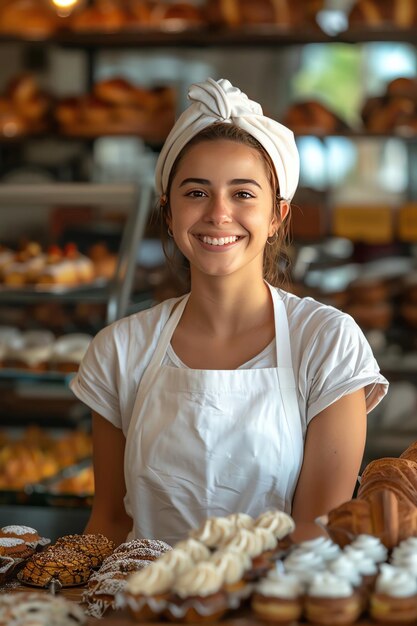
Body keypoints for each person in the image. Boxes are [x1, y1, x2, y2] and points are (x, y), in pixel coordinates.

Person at [70, 78, 388, 547]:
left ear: (277, 214)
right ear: (169, 210)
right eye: (196, 193)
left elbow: (314, 532)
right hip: (140, 609)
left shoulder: (326, 343)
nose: (219, 214)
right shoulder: (120, 349)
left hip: (270, 608)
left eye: (243, 194)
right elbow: (110, 525)